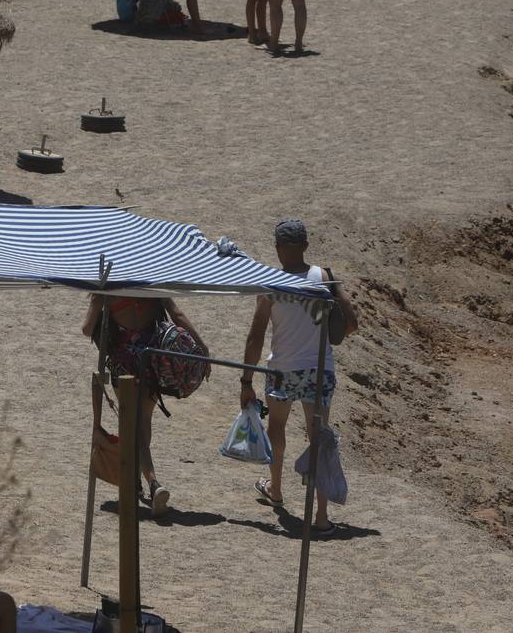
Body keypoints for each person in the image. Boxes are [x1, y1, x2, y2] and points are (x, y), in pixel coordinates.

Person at [239, 219, 358, 536]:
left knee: (276, 428)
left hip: (281, 369)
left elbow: (255, 336)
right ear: (305, 245)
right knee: (318, 436)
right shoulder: (323, 278)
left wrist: (246, 381)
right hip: (318, 369)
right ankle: (320, 516)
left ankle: (276, 489)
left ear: (278, 248)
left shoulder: (270, 284)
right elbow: (351, 322)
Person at [82, 293, 209, 516]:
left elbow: (87, 328)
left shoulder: (109, 288)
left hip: (124, 365)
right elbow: (176, 314)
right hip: (151, 362)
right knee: (143, 424)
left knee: (131, 426)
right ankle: (137, 481)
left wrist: (100, 303)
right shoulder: (151, 281)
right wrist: (202, 349)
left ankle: (151, 482)